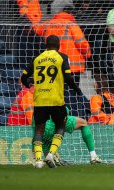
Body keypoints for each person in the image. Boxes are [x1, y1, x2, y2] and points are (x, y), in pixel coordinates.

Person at [21, 35, 84, 169]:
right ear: (59, 45)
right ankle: (51, 154)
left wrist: (28, 84)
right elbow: (68, 77)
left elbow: (24, 76)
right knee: (60, 126)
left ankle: (38, 161)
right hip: (56, 99)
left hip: (40, 100)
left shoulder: (37, 59)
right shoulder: (62, 57)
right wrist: (77, 90)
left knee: (39, 130)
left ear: (46, 45)